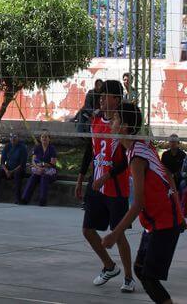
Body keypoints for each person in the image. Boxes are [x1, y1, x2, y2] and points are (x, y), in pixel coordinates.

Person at [102, 103, 185, 304]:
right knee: (141, 270)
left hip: (164, 223)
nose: (110, 123)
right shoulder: (140, 146)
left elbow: (137, 204)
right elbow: (167, 176)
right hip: (156, 222)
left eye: (114, 119)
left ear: (125, 126)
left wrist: (115, 234)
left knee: (148, 276)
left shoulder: (137, 158)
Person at [76, 79, 135, 293]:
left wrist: (107, 176)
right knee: (87, 230)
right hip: (96, 184)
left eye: (105, 95)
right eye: (100, 95)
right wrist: (82, 177)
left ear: (116, 99)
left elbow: (128, 158)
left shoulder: (122, 123)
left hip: (116, 188)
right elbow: (90, 150)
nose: (100, 98)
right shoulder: (96, 120)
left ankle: (129, 278)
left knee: (118, 234)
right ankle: (109, 266)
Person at [21, 130, 58, 206]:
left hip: (50, 172)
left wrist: (43, 165)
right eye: (42, 137)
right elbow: (33, 161)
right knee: (33, 177)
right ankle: (25, 199)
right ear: (40, 138)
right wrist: (38, 168)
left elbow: (53, 163)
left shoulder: (52, 148)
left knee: (44, 178)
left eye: (46, 137)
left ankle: (42, 201)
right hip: (39, 170)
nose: (44, 138)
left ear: (49, 139)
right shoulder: (37, 147)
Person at [0, 132, 28, 203]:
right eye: (12, 138)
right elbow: (2, 161)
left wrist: (11, 171)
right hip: (8, 169)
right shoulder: (7, 146)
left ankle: (17, 198)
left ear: (18, 138)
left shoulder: (22, 148)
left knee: (17, 174)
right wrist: (6, 170)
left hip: (18, 169)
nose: (13, 139)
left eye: (15, 138)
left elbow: (22, 164)